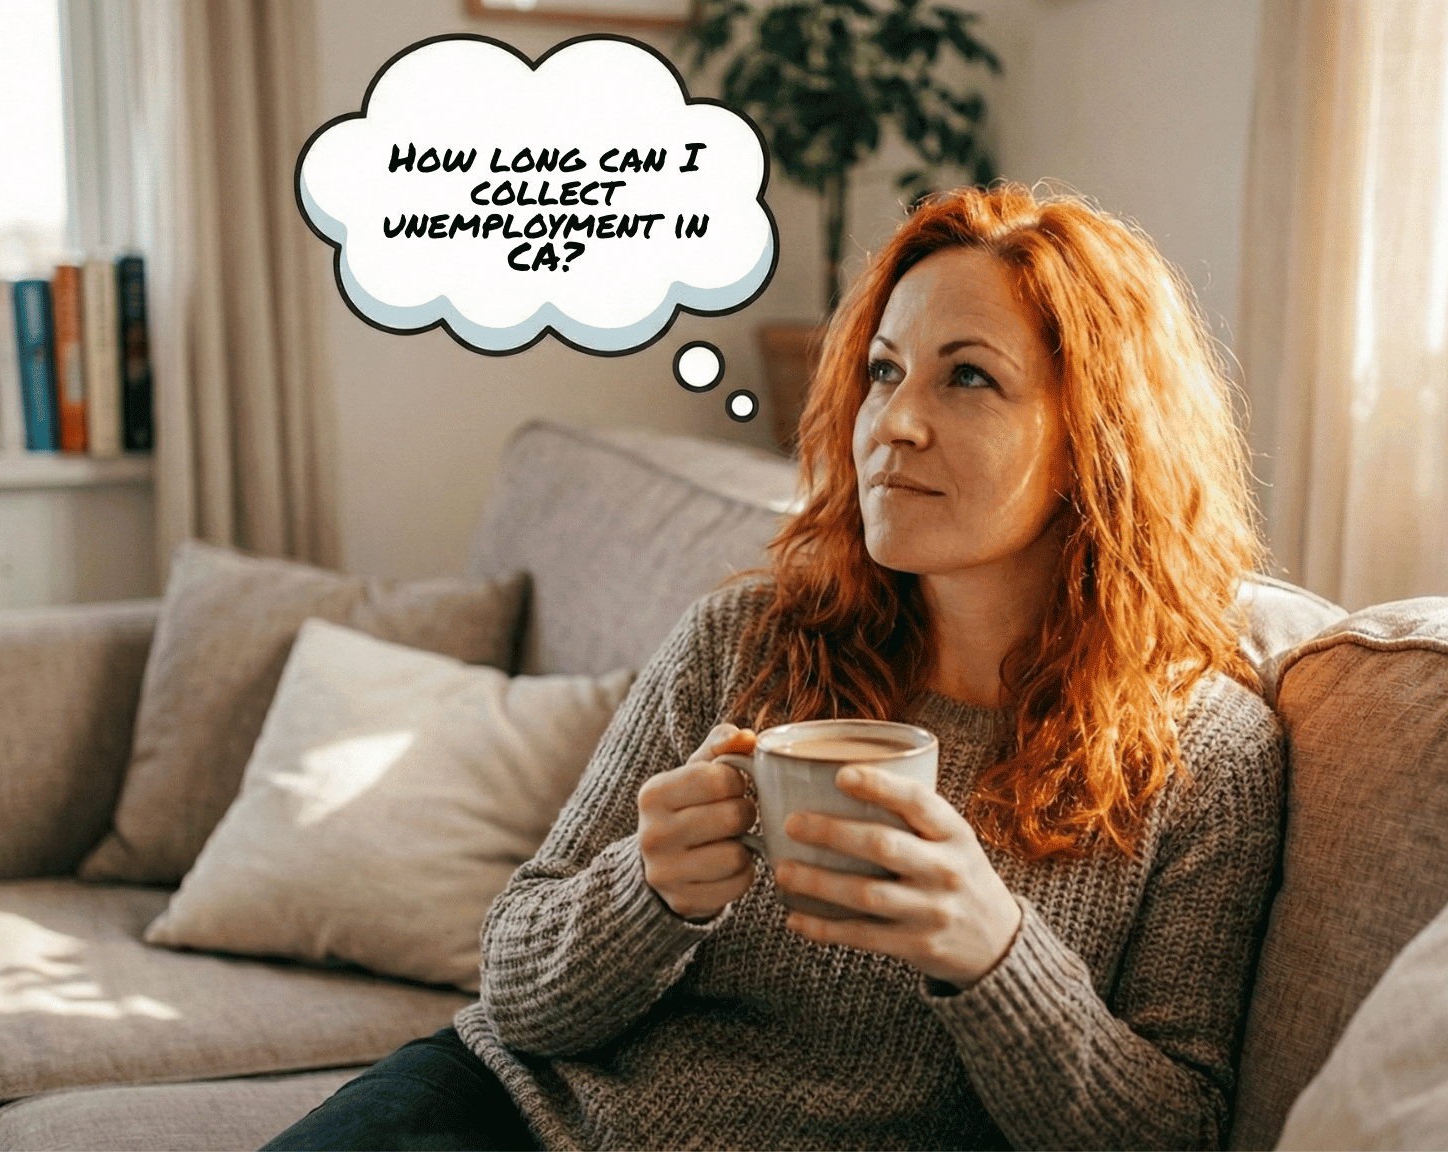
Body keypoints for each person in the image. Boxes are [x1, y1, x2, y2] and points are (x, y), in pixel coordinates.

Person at [264, 182, 1283, 1151]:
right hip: (504, 1116)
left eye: (968, 376)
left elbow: (1175, 1132)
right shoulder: (746, 643)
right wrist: (646, 893)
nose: (895, 422)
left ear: (1097, 439)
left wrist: (995, 954)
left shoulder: (1209, 753)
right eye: (884, 371)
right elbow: (514, 989)